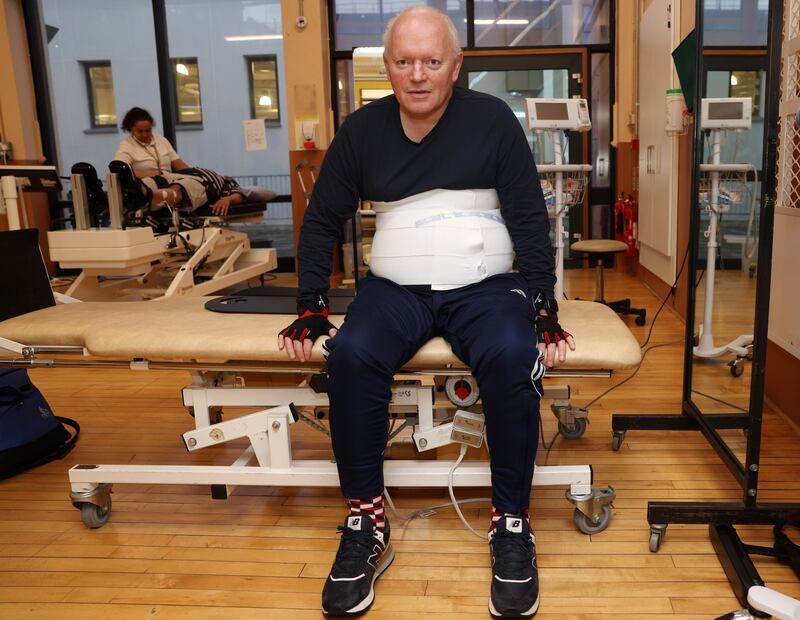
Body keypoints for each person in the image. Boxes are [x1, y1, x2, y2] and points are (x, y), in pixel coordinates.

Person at [278, 6, 575, 617]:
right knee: (352, 355)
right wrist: (309, 303)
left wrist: (544, 305)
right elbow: (321, 222)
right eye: (404, 61)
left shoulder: (492, 122)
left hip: (486, 286)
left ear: (455, 66)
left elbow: (527, 218)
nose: (417, 75)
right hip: (396, 290)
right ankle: (365, 518)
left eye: (432, 61)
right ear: (387, 65)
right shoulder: (362, 131)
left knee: (513, 354)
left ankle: (512, 522)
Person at [114, 107, 189, 178]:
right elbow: (120, 170)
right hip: (147, 183)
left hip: (169, 180)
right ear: (131, 129)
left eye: (148, 130)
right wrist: (149, 175)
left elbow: (178, 163)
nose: (145, 135)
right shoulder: (126, 145)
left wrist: (192, 173)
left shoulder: (161, 140)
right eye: (140, 131)